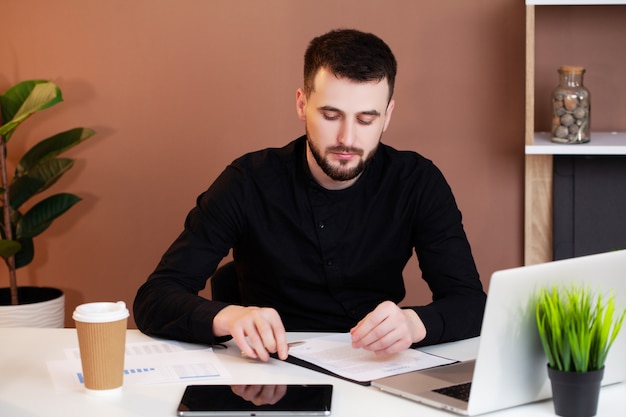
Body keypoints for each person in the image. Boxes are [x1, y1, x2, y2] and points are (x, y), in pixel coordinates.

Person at [134, 28, 486, 362]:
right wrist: (227, 317)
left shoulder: (418, 182)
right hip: (269, 372)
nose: (347, 138)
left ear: (388, 115)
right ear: (302, 104)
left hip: (378, 369)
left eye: (366, 119)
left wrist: (413, 324)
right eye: (331, 115)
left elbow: (471, 303)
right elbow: (155, 298)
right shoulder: (247, 181)